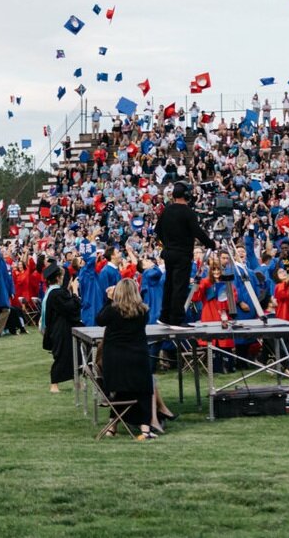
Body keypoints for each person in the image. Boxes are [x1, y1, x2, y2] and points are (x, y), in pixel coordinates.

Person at [96, 279, 156, 440]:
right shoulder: (143, 311)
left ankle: (112, 427)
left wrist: (109, 299)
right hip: (137, 358)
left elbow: (99, 320)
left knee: (119, 391)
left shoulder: (112, 311)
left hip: (115, 361)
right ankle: (145, 429)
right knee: (143, 392)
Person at [154, 182, 216, 328]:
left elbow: (158, 230)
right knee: (179, 286)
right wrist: (211, 244)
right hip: (182, 254)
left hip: (169, 253)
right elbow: (197, 232)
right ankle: (176, 319)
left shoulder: (167, 210)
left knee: (169, 284)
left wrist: (169, 243)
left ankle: (165, 316)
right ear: (186, 195)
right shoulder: (187, 212)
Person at [41, 261, 81, 393]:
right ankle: (54, 384)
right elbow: (71, 308)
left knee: (72, 355)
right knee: (62, 356)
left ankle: (76, 383)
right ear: (58, 278)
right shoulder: (56, 293)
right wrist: (75, 291)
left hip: (59, 328)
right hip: (60, 329)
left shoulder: (52, 292)